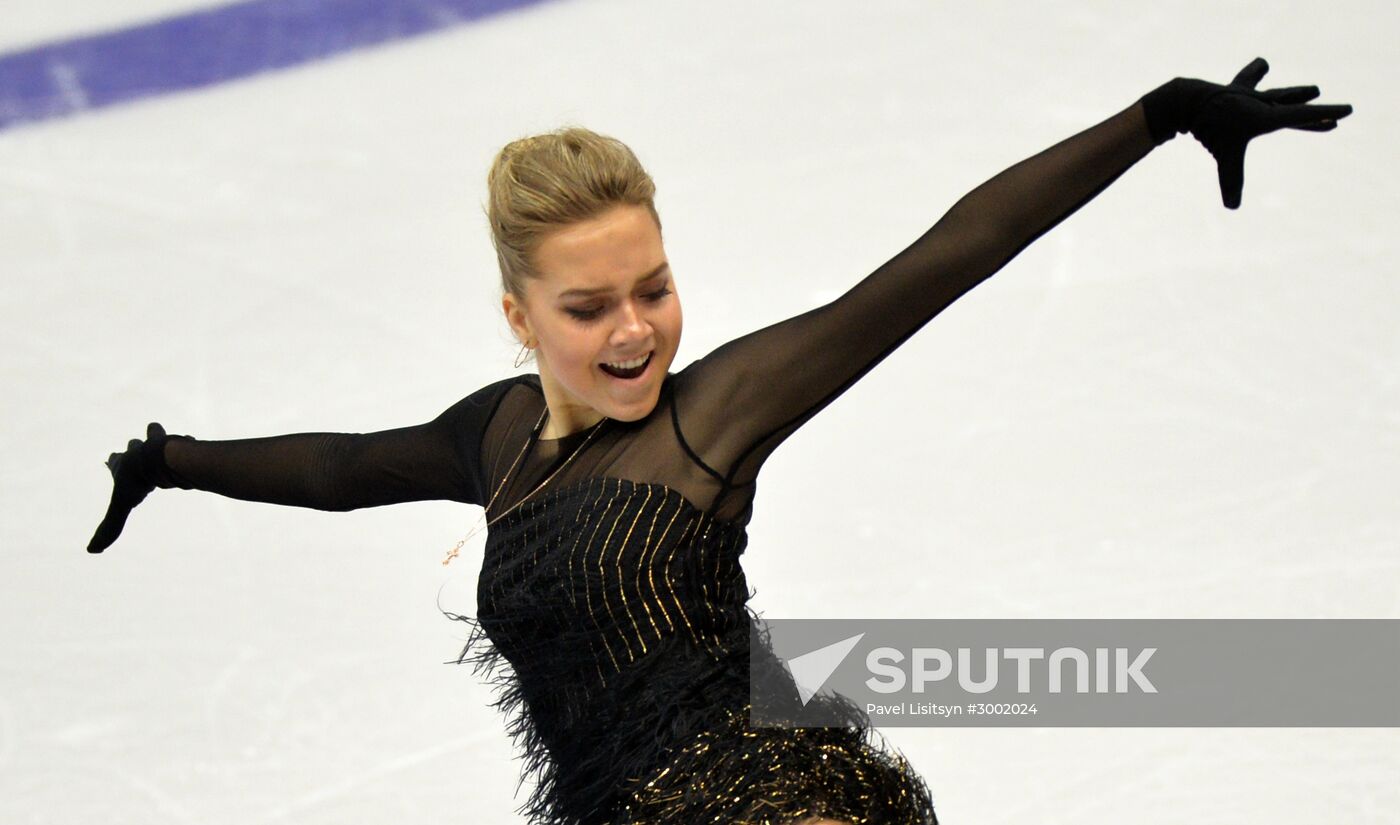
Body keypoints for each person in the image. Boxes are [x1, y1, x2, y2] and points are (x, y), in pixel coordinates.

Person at [88, 58, 1351, 825]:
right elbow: (342, 469)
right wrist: (175, 460)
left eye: (654, 285)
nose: (637, 330)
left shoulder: (710, 420)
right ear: (517, 315)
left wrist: (1155, 118)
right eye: (588, 308)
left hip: (755, 793)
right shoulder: (495, 436)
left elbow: (935, 263)